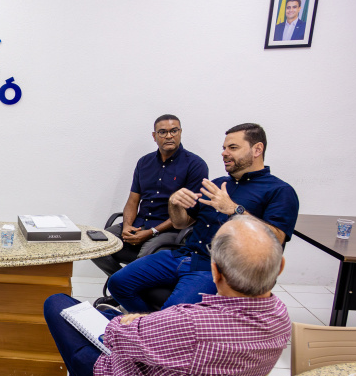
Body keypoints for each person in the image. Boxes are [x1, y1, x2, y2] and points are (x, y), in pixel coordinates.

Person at [44, 215, 291, 376]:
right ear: (280, 267)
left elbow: (114, 337)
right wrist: (146, 322)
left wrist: (136, 321)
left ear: (214, 271)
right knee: (103, 315)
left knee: (59, 305)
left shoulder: (190, 324)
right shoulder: (280, 317)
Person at [108, 123, 299, 314]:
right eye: (224, 148)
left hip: (216, 268)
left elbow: (277, 238)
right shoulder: (216, 184)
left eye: (233, 148)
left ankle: (157, 327)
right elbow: (181, 223)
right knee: (117, 283)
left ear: (257, 149)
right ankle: (148, 322)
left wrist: (234, 209)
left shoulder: (280, 191)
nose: (224, 153)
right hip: (183, 256)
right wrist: (173, 204)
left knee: (172, 313)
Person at [92, 114, 208, 278]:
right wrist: (126, 226)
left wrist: (152, 231)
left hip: (171, 229)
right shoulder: (144, 162)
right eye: (162, 132)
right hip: (140, 223)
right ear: (154, 136)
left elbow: (189, 214)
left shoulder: (195, 164)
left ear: (180, 132)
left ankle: (129, 290)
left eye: (174, 131)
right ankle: (121, 284)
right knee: (96, 244)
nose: (169, 136)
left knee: (145, 259)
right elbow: (133, 201)